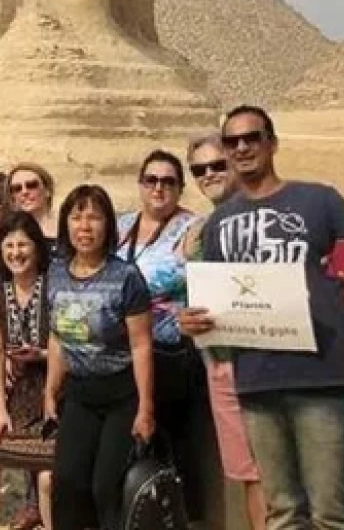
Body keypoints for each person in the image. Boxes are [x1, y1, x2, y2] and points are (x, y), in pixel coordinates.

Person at [188, 105, 344, 530]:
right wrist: (194, 323)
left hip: (321, 378)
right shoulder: (220, 223)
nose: (242, 147)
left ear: (272, 143)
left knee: (332, 511)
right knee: (283, 513)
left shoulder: (320, 201)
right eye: (232, 141)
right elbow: (217, 299)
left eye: (252, 137)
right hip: (257, 382)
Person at [44, 185, 155, 530]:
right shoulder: (56, 273)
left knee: (106, 487)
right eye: (77, 217)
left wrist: (146, 408)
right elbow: (57, 337)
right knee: (67, 482)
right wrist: (50, 390)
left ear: (108, 225)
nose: (85, 226)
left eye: (94, 217)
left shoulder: (126, 277)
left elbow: (141, 345)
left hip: (122, 393)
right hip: (80, 392)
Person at [115, 149, 210, 522]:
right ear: (140, 184)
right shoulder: (122, 225)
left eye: (168, 181)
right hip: (120, 352)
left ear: (180, 187)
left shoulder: (194, 228)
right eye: (151, 180)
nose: (159, 188)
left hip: (168, 354)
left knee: (176, 448)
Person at [178, 133, 267, 530]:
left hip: (272, 363)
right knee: (249, 475)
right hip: (221, 365)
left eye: (218, 165)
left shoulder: (265, 215)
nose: (209, 174)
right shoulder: (199, 231)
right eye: (199, 169)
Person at [0, 211, 56, 530]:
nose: (16, 253)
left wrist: (41, 354)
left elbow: (64, 344)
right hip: (11, 389)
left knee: (48, 477)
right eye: (9, 246)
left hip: (52, 389)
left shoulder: (53, 286)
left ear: (36, 248)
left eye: (23, 245)